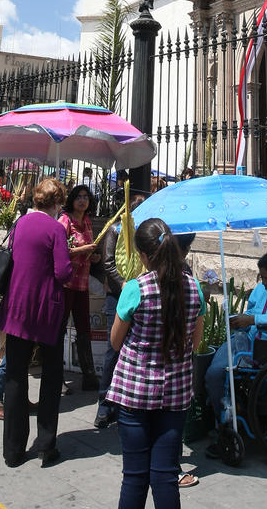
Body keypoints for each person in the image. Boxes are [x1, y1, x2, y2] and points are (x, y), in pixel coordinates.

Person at [105, 218, 205, 509]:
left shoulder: (135, 289)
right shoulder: (194, 288)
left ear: (144, 256)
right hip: (175, 393)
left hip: (134, 392)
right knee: (165, 476)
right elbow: (195, 344)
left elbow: (114, 341)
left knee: (134, 477)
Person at [0, 177, 73, 468]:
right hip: (46, 310)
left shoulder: (20, 224)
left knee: (15, 376)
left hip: (16, 306)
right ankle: (46, 444)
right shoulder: (56, 228)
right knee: (51, 378)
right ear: (56, 202)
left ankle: (13, 451)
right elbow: (63, 272)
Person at [204, 247, 267, 456]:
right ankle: (224, 420)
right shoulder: (261, 290)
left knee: (219, 374)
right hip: (247, 341)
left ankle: (226, 424)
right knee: (212, 371)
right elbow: (252, 311)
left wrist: (252, 320)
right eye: (263, 278)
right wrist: (240, 319)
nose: (265, 283)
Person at [94, 193, 146, 430]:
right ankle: (104, 405)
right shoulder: (115, 230)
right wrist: (123, 284)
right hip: (118, 296)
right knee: (113, 349)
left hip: (140, 294)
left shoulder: (145, 235)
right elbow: (108, 263)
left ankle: (127, 403)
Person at [61, 184, 101, 391]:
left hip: (82, 284)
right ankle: (56, 376)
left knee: (84, 329)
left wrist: (93, 256)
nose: (82, 200)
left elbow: (86, 252)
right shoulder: (64, 221)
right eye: (79, 197)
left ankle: (89, 375)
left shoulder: (87, 223)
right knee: (59, 330)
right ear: (72, 200)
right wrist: (84, 249)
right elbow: (59, 251)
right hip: (66, 283)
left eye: (86, 197)